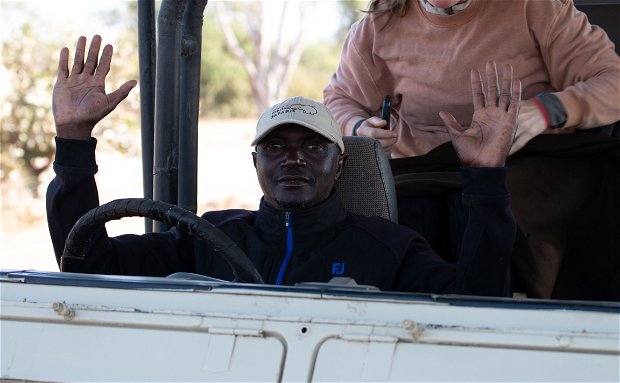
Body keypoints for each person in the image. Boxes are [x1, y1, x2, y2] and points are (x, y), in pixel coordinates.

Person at [47, 35, 521, 296]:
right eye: (275, 148)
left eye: (313, 148)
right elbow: (86, 269)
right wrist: (73, 142)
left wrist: (484, 177)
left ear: (340, 165)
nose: (293, 158)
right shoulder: (208, 237)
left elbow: (477, 303)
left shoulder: (389, 247)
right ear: (256, 163)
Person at [323, 0, 620, 157]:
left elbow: (613, 81)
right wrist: (359, 127)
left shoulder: (535, 7)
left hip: (527, 166)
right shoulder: (378, 24)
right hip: (424, 174)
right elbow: (341, 99)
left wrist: (546, 110)